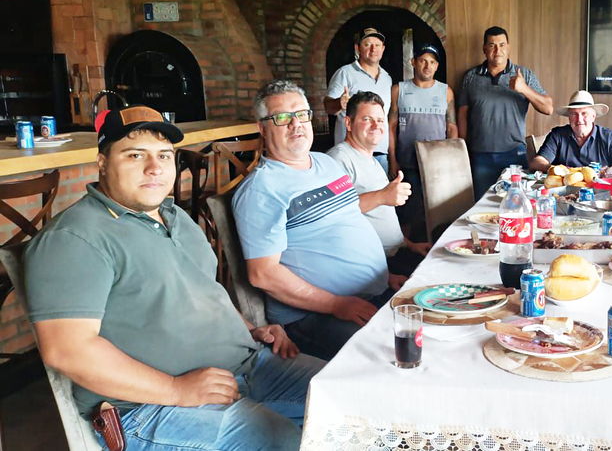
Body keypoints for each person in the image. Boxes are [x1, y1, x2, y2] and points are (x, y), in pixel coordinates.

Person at [23, 104, 325, 450]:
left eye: (164, 156)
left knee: (349, 397)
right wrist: (175, 389)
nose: (154, 168)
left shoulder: (175, 216)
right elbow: (68, 350)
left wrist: (248, 329)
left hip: (248, 366)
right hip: (149, 407)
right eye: (135, 155)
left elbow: (203, 289)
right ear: (102, 163)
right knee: (281, 442)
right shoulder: (75, 238)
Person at [235, 80, 404, 360]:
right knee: (393, 355)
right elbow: (263, 274)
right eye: (282, 117)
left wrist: (383, 276)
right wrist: (337, 304)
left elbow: (348, 221)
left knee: (434, 326)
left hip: (372, 292)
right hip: (315, 315)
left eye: (301, 114)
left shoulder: (326, 163)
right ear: (262, 127)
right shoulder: (260, 190)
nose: (296, 124)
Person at [328, 91, 433, 277]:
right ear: (349, 124)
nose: (376, 125)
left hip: (398, 252)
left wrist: (409, 244)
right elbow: (334, 211)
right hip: (376, 263)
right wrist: (383, 196)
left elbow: (381, 217)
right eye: (367, 119)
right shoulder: (338, 159)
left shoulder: (372, 161)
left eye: (380, 120)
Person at [457, 26, 554, 199]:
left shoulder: (524, 75)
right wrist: (463, 147)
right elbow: (463, 113)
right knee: (483, 205)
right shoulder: (471, 77)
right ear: (484, 49)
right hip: (480, 155)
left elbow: (548, 108)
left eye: (502, 45)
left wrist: (524, 89)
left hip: (514, 155)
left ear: (508, 47)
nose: (497, 50)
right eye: (492, 45)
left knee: (515, 204)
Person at [389, 43, 458, 240]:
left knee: (438, 210)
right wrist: (393, 159)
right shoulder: (399, 90)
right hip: (407, 163)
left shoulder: (446, 92)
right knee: (407, 211)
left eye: (432, 62)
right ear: (413, 62)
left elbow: (452, 128)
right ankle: (404, 248)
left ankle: (434, 247)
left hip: (437, 165)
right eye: (423, 61)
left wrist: (451, 160)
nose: (428, 66)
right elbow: (391, 127)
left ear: (437, 66)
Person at [324, 27, 393, 174]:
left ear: (383, 49)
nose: (373, 49)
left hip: (380, 155)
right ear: (357, 48)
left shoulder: (387, 78)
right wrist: (339, 103)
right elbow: (328, 107)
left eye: (377, 45)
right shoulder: (345, 73)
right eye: (367, 45)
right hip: (351, 154)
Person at [529, 90, 612, 175]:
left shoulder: (609, 136)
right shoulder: (557, 135)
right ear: (569, 117)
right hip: (564, 191)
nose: (579, 119)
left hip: (599, 191)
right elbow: (536, 162)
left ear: (593, 116)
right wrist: (556, 169)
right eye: (574, 114)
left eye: (584, 113)